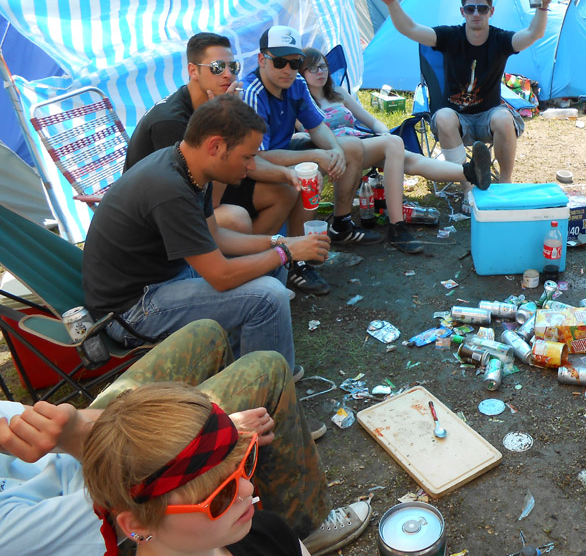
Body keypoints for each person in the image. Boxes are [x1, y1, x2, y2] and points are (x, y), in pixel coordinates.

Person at [0, 319, 371, 556]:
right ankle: (312, 522)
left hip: (98, 466)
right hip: (103, 491)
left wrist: (208, 441)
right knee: (267, 370)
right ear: (138, 528)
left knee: (207, 331)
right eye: (219, 496)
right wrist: (192, 447)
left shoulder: (269, 534)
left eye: (245, 464)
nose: (248, 491)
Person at [83, 94, 330, 376]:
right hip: (131, 311)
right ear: (216, 146)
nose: (251, 166)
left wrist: (280, 242)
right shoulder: (169, 189)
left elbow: (218, 237)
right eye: (247, 156)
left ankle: (241, 366)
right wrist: (287, 252)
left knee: (271, 269)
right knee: (268, 295)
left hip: (162, 279)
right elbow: (221, 276)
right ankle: (269, 388)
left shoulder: (192, 169)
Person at [124, 33, 309, 284]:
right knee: (236, 217)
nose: (227, 74)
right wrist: (227, 123)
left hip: (198, 193)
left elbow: (244, 159)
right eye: (217, 67)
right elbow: (211, 198)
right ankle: (235, 274)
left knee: (285, 192)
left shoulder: (215, 103)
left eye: (232, 67)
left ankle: (262, 266)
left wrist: (286, 174)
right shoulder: (172, 122)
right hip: (161, 215)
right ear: (193, 71)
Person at [378, 0, 553, 204]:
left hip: (488, 116)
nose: (476, 14)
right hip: (456, 120)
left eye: (482, 8)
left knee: (503, 117)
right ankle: (469, 189)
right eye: (470, 9)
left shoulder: (500, 40)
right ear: (463, 12)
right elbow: (409, 28)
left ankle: (504, 186)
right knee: (443, 116)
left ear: (491, 11)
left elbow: (534, 34)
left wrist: (542, 8)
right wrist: (392, 3)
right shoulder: (450, 36)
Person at [299, 47, 492, 254]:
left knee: (408, 158)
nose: (320, 72)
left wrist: (383, 133)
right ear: (301, 73)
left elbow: (371, 120)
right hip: (333, 150)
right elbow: (305, 134)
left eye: (323, 66)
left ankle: (469, 172)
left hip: (360, 143)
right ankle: (396, 226)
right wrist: (388, 141)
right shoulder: (300, 101)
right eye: (312, 68)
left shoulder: (337, 93)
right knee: (394, 146)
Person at [242, 26, 382, 267]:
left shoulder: (296, 82)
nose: (288, 69)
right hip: (252, 167)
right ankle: (296, 260)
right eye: (280, 62)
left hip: (283, 151)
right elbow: (257, 157)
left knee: (351, 148)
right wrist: (317, 155)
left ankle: (341, 224)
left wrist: (335, 151)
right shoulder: (251, 93)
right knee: (310, 175)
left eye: (295, 63)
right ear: (261, 60)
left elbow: (318, 126)